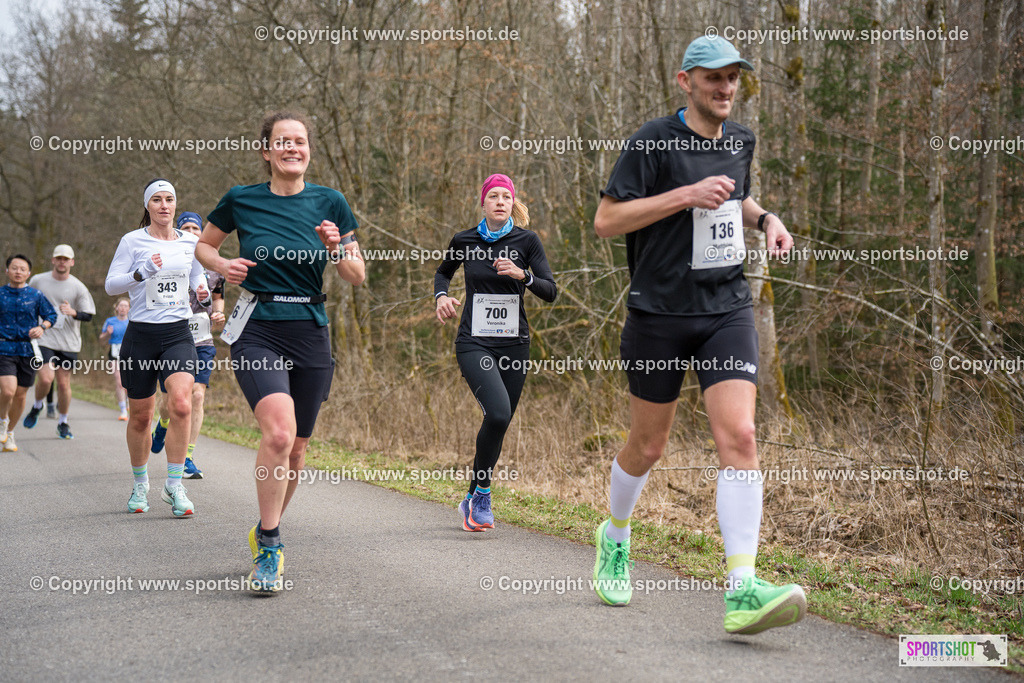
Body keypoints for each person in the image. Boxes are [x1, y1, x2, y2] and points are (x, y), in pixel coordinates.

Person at [591, 36, 805, 635]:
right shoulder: (651, 142)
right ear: (685, 81)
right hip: (659, 313)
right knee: (648, 447)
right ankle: (615, 535)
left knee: (741, 435)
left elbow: (736, 197)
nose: (726, 87)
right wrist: (685, 195)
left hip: (725, 307)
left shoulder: (740, 141)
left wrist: (766, 219)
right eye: (714, 77)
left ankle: (742, 590)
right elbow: (607, 220)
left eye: (733, 77)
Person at [196, 111, 365, 593]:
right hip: (258, 329)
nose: (293, 148)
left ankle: (263, 527)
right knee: (278, 434)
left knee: (297, 448)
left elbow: (356, 275)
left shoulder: (331, 202)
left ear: (308, 150)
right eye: (283, 141)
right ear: (266, 151)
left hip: (310, 330)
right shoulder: (241, 199)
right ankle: (270, 545)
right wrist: (223, 264)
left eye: (300, 141)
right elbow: (203, 247)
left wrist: (337, 248)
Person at [434, 174, 556, 531]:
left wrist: (523, 275)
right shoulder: (464, 240)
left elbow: (551, 291)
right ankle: (484, 494)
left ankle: (471, 497)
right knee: (499, 413)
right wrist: (441, 297)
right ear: (483, 202)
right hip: (474, 341)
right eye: (494, 196)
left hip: (515, 344)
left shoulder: (527, 241)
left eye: (506, 196)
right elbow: (443, 273)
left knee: (498, 422)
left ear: (512, 203)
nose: (500, 201)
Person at [104, 178, 210, 518]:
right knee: (141, 417)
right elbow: (110, 285)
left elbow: (197, 274)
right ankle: (140, 484)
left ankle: (175, 485)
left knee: (181, 403)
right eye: (157, 200)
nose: (164, 205)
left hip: (178, 334)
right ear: (147, 205)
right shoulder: (132, 241)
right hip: (141, 337)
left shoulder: (190, 242)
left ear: (176, 204)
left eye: (169, 199)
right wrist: (141, 273)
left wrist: (203, 290)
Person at [149, 212, 225, 479]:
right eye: (186, 228)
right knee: (170, 400)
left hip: (202, 339)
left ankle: (188, 457)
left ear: (202, 233)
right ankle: (163, 423)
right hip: (172, 339)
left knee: (197, 395)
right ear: (178, 231)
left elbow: (218, 296)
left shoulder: (214, 267)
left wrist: (219, 313)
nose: (192, 232)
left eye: (196, 228)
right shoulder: (168, 263)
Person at [22, 244, 96, 439]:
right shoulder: (38, 280)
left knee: (63, 384)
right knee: (46, 378)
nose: (62, 262)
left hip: (68, 342)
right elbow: (26, 301)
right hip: (44, 338)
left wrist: (73, 312)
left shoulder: (78, 286)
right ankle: (37, 405)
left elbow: (88, 315)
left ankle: (63, 422)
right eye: (59, 258)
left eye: (66, 259)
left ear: (72, 262)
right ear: (53, 260)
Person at [0, 254, 58, 453]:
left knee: (20, 395)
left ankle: (10, 432)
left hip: (28, 350)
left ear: (28, 273)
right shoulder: (1, 294)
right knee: (8, 390)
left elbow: (51, 315)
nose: (18, 272)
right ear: (7, 270)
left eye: (22, 269)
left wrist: (42, 327)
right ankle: (2, 421)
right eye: (14, 268)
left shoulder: (36, 295)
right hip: (4, 348)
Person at [99, 298, 131, 420]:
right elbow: (101, 339)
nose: (123, 308)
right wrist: (108, 333)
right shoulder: (110, 321)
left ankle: (128, 403)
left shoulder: (132, 321)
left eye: (125, 306)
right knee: (119, 381)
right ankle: (123, 411)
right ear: (116, 307)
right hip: (114, 352)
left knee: (130, 381)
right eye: (121, 306)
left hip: (130, 353)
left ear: (129, 308)